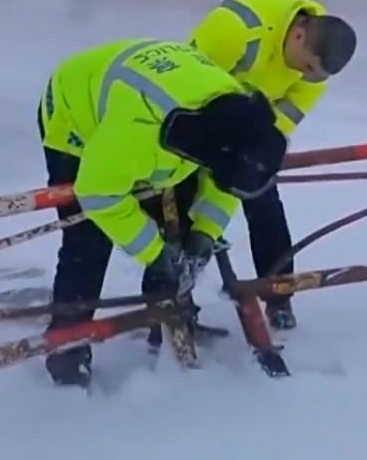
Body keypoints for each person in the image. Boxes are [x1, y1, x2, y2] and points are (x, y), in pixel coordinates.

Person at [36, 37, 288, 386]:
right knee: (87, 240)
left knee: (179, 228)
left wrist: (204, 235)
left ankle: (168, 319)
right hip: (76, 113)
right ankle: (68, 348)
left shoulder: (235, 116)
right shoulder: (138, 131)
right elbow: (97, 194)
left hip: (165, 108)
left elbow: (222, 181)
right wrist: (154, 252)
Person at [189, 0, 357, 330]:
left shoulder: (318, 62)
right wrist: (213, 141)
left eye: (318, 75)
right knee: (179, 213)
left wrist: (253, 151)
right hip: (196, 122)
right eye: (308, 68)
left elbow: (287, 116)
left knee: (265, 205)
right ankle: (174, 309)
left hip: (250, 130)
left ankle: (279, 294)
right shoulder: (234, 29)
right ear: (297, 35)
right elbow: (184, 83)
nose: (310, 77)